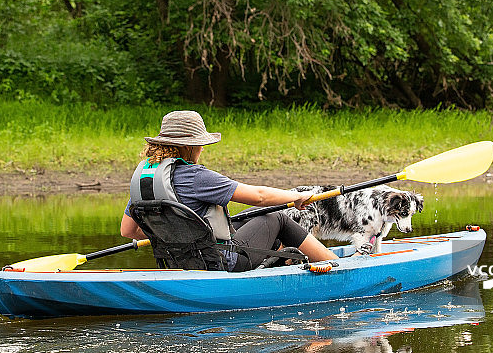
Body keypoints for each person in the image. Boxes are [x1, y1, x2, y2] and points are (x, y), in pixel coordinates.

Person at [120, 110, 338, 271]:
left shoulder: (146, 181)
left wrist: (173, 235)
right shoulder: (197, 177)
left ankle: (282, 260)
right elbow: (260, 197)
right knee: (276, 218)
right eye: (200, 144)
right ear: (189, 147)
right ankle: (337, 265)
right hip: (222, 263)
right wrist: (297, 197)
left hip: (179, 263)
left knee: (247, 217)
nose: (202, 148)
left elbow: (128, 231)